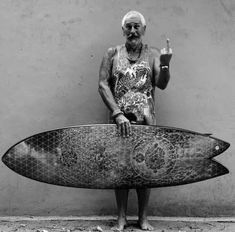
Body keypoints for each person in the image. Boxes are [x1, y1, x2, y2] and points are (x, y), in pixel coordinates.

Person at [98, 11, 172, 231]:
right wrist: (117, 113)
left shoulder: (154, 54)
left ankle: (142, 218)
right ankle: (121, 218)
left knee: (146, 168)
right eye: (128, 27)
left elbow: (162, 83)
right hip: (120, 122)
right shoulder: (112, 54)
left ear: (144, 29)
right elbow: (103, 84)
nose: (132, 31)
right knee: (120, 168)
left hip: (147, 122)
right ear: (123, 30)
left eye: (136, 27)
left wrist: (166, 65)